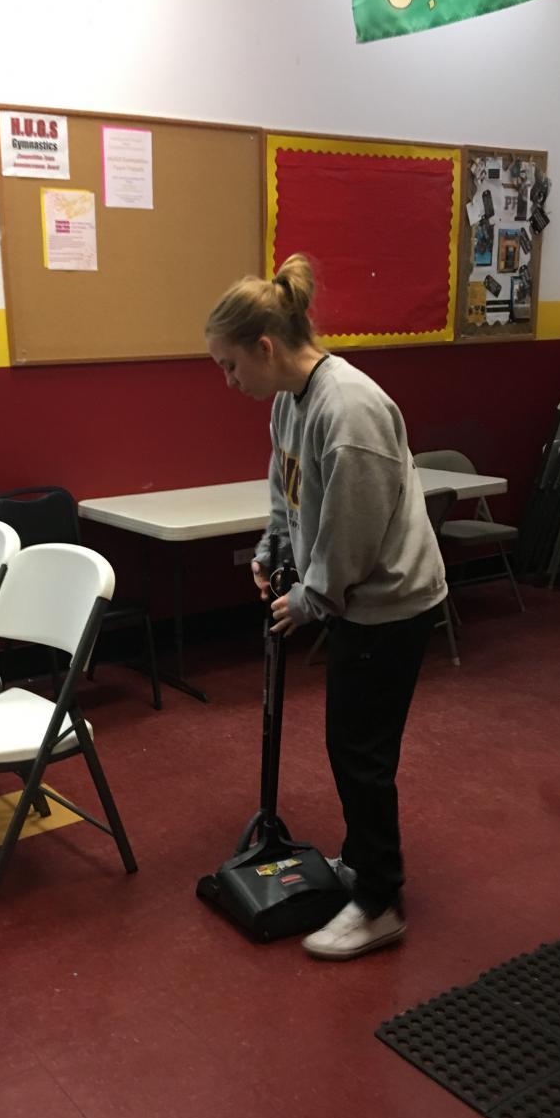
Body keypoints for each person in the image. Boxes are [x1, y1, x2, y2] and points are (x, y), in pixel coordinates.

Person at [205, 253, 446, 961]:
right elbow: (288, 493)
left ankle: (380, 902)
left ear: (265, 347)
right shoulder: (289, 400)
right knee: (351, 742)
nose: (229, 381)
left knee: (360, 753)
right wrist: (271, 545)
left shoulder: (348, 411)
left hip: (389, 603)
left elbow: (352, 536)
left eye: (229, 366)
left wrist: (309, 599)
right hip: (354, 600)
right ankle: (363, 863)